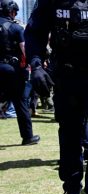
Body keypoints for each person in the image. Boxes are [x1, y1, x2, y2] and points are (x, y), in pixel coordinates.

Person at [25, 0, 88, 194]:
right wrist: (36, 64)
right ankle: (72, 187)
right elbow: (35, 32)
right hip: (66, 78)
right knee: (69, 134)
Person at [0, 0, 40, 145]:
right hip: (11, 69)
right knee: (20, 102)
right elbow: (25, 50)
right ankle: (27, 136)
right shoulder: (15, 28)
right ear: (10, 11)